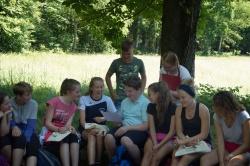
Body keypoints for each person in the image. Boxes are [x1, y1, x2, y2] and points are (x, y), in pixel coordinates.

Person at [104, 76, 149, 165]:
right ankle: (114, 161)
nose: (127, 94)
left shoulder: (145, 103)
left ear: (139, 90)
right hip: (124, 127)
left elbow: (146, 126)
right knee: (108, 137)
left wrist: (126, 128)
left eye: (130, 91)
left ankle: (138, 163)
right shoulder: (125, 101)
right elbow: (121, 118)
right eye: (126, 90)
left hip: (138, 130)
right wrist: (115, 121)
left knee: (125, 140)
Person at [200, 91, 250, 166]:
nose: (213, 108)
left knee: (233, 163)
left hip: (243, 150)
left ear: (225, 107)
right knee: (205, 160)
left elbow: (246, 144)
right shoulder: (217, 116)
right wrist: (221, 162)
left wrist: (232, 155)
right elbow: (220, 141)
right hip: (226, 147)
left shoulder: (243, 116)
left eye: (215, 106)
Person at [78, 77, 117, 166]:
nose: (100, 89)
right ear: (91, 88)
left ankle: (98, 161)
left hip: (102, 128)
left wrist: (103, 119)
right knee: (92, 135)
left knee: (99, 134)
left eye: (101, 87)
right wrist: (93, 128)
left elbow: (115, 117)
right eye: (97, 87)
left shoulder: (107, 99)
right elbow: (82, 122)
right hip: (86, 128)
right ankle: (93, 163)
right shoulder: (84, 99)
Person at [171, 84, 211, 166]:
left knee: (183, 161)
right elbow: (179, 131)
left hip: (201, 142)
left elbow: (204, 134)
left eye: (183, 97)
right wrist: (185, 142)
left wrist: (186, 141)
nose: (181, 100)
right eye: (179, 98)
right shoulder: (179, 109)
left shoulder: (203, 109)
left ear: (191, 95)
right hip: (185, 142)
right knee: (174, 158)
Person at [44, 78, 80, 166]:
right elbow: (47, 123)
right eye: (77, 92)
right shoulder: (54, 102)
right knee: (65, 138)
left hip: (64, 131)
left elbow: (68, 125)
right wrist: (58, 129)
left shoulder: (73, 106)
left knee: (73, 137)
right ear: (68, 92)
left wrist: (71, 128)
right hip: (52, 131)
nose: (79, 94)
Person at [141, 82, 176, 166]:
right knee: (147, 156)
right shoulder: (151, 106)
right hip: (154, 136)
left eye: (150, 95)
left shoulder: (173, 107)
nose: (148, 97)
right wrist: (155, 142)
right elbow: (152, 128)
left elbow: (172, 132)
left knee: (156, 158)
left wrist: (159, 145)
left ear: (158, 94)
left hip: (169, 139)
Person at [105, 39, 147, 110]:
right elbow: (107, 77)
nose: (126, 56)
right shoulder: (116, 63)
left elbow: (144, 77)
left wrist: (141, 92)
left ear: (133, 51)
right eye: (123, 54)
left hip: (134, 97)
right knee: (119, 119)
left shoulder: (139, 62)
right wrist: (112, 93)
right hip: (119, 98)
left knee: (133, 118)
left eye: (128, 54)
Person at [10, 82, 40, 166]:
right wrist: (13, 126)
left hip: (28, 129)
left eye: (30, 94)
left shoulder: (33, 104)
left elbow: (31, 125)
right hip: (15, 128)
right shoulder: (10, 103)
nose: (30, 96)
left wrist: (26, 143)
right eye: (27, 95)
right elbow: (9, 119)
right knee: (18, 140)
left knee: (32, 144)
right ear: (18, 96)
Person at [0, 91, 12, 163]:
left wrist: (7, 116)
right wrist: (5, 116)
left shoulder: (6, 112)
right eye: (7, 104)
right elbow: (3, 133)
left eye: (10, 102)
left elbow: (7, 130)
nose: (10, 105)